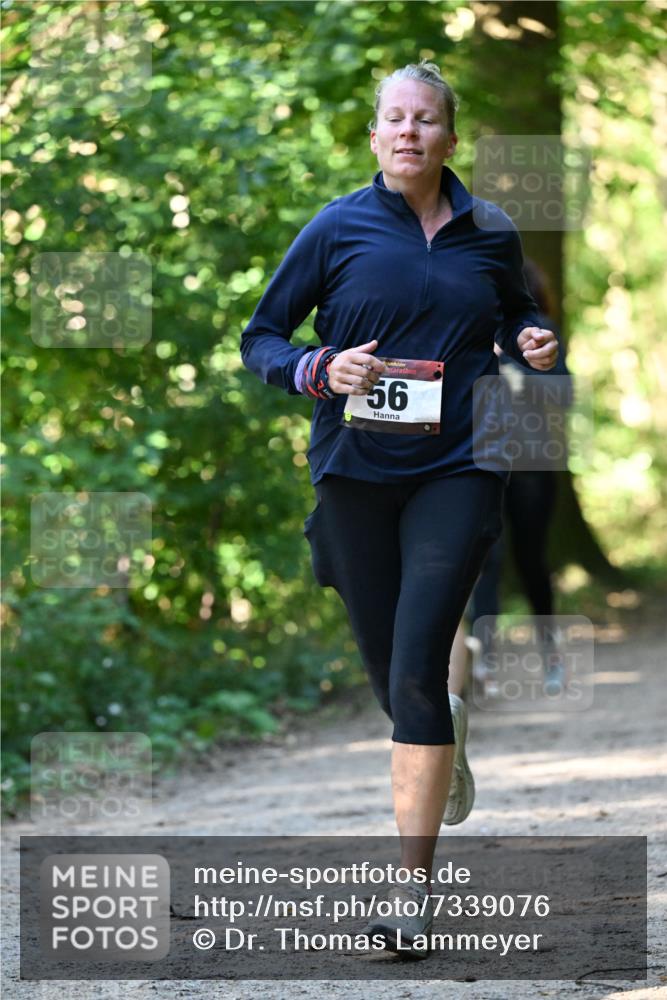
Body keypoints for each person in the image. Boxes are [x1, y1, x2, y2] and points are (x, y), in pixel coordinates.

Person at [240, 61, 558, 958]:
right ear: (375, 136)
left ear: (449, 138)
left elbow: (513, 317)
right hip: (353, 469)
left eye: (426, 119)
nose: (410, 131)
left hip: (458, 464)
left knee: (419, 662)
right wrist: (316, 369)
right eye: (394, 118)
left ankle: (409, 897)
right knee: (393, 675)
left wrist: (528, 341)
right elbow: (260, 336)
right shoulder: (336, 229)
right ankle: (441, 733)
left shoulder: (487, 232)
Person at [468, 259, 573, 699]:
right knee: (484, 562)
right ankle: (484, 665)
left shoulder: (539, 332)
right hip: (482, 461)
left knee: (532, 561)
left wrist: (513, 374)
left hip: (532, 464)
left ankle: (551, 658)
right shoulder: (470, 331)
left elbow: (563, 393)